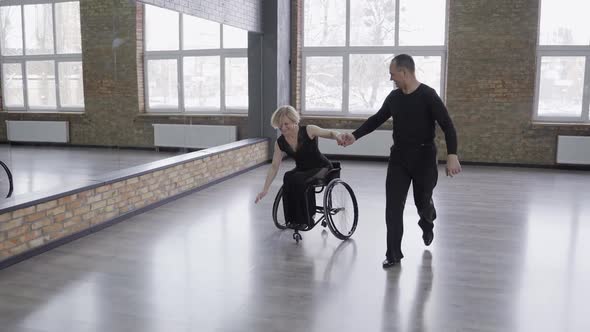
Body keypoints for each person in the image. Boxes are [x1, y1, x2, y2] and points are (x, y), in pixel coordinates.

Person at [338, 54, 462, 268]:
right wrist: (354, 135)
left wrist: (452, 155)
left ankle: (428, 220)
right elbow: (376, 119)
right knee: (393, 207)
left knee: (422, 201)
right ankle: (393, 254)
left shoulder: (428, 96)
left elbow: (448, 126)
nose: (391, 79)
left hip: (424, 158)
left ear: (404, 73)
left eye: (392, 74)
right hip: (399, 158)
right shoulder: (394, 97)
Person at [255, 105, 341, 228]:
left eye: (286, 124)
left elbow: (330, 133)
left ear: (294, 121)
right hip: (302, 169)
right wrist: (265, 189)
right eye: (280, 125)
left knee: (299, 179)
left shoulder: (309, 130)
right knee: (288, 177)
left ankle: (307, 218)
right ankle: (293, 219)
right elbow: (274, 166)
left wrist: (338, 136)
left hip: (321, 167)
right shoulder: (280, 143)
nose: (283, 128)